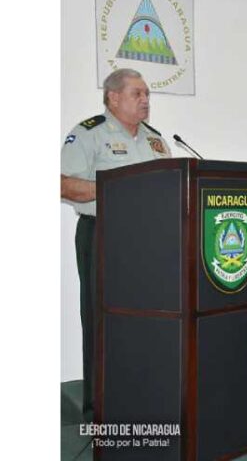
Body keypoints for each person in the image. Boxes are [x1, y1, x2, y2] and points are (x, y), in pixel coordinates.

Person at [60, 69, 171, 417]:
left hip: (150, 238)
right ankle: (100, 401)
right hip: (104, 234)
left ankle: (145, 387)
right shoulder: (89, 133)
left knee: (151, 314)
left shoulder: (155, 139)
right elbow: (63, 184)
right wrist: (115, 190)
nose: (145, 101)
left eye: (147, 95)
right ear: (113, 97)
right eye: (137, 94)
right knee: (101, 316)